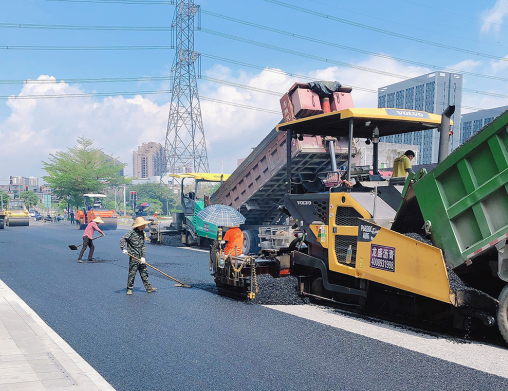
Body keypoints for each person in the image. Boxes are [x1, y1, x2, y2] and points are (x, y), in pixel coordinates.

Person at [120, 217, 157, 295]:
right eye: (143, 224)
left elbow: (143, 246)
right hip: (133, 257)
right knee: (132, 273)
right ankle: (129, 289)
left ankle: (149, 288)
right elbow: (123, 239)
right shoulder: (131, 232)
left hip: (140, 257)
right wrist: (123, 249)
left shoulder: (142, 233)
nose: (145, 225)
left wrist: (143, 257)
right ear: (139, 225)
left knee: (144, 272)